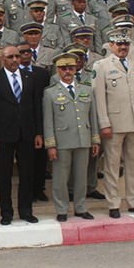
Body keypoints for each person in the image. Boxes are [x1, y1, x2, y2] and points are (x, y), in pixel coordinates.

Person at [92, 30, 134, 218]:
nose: (122, 47)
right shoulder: (101, 65)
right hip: (114, 124)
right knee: (111, 167)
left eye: (126, 44)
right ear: (110, 46)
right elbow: (99, 97)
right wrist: (104, 123)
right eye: (118, 44)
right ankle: (113, 204)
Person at [0, 45, 43, 225]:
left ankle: (26, 211)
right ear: (3, 59)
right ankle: (6, 213)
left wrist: (39, 133)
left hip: (27, 134)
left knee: (26, 174)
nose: (15, 59)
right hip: (2, 136)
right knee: (3, 175)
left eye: (18, 56)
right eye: (11, 57)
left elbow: (37, 108)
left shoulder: (31, 78)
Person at [44, 53, 99, 221]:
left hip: (83, 139)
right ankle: (62, 209)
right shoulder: (50, 93)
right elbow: (48, 121)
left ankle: (81, 207)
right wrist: (50, 145)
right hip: (62, 142)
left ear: (76, 69)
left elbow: (93, 117)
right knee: (61, 178)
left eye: (71, 68)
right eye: (63, 68)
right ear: (57, 71)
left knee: (81, 177)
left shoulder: (86, 89)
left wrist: (95, 139)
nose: (68, 71)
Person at [18, 42, 51, 202]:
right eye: (21, 52)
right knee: (25, 161)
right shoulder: (12, 73)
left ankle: (39, 189)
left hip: (38, 119)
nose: (25, 54)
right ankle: (28, 192)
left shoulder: (42, 73)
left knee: (39, 159)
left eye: (28, 51)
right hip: (19, 122)